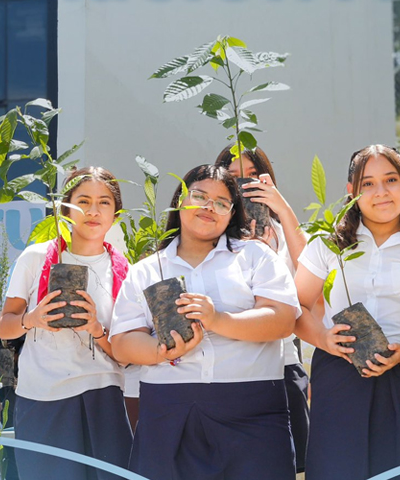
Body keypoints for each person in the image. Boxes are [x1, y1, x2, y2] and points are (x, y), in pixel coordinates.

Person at [111, 164, 301, 479]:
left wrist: (217, 319)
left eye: (222, 202)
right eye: (199, 196)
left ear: (233, 213)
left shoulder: (255, 256)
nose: (209, 207)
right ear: (180, 201)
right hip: (168, 411)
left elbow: (282, 321)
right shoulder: (147, 269)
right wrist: (162, 351)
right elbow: (122, 342)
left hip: (253, 412)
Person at [294, 145, 400, 479]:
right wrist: (322, 338)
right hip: (340, 377)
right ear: (351, 192)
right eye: (367, 183)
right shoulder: (328, 243)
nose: (380, 192)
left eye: (391, 180)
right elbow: (297, 308)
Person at [0, 167, 132, 479]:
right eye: (83, 201)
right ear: (64, 208)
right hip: (42, 396)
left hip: (103, 394)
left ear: (116, 212)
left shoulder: (124, 270)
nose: (93, 211)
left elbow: (125, 353)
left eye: (104, 202)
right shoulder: (36, 257)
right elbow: (4, 326)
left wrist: (97, 329)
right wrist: (33, 319)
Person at [214, 145, 310, 472]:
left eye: (253, 175)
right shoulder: (213, 238)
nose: (245, 183)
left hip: (283, 364)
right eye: (234, 176)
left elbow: (311, 278)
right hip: (231, 372)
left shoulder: (281, 232)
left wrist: (282, 210)